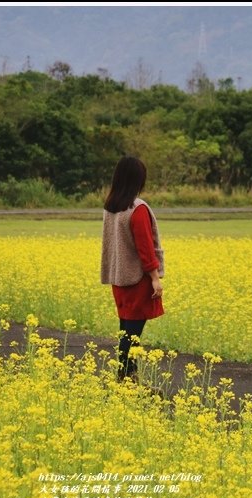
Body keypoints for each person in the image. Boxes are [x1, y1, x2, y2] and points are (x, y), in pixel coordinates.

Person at [100, 156, 164, 383]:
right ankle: (127, 376)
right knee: (133, 333)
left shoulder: (111, 208)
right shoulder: (137, 209)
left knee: (125, 329)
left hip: (119, 278)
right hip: (137, 280)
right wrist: (155, 278)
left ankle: (126, 375)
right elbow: (146, 248)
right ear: (138, 180)